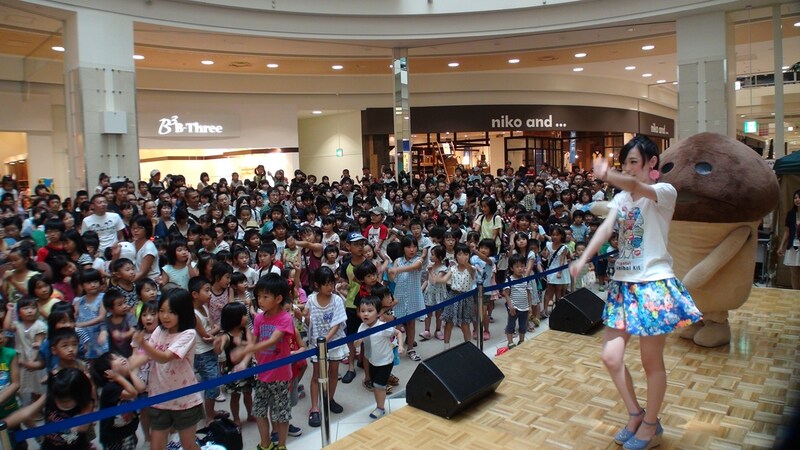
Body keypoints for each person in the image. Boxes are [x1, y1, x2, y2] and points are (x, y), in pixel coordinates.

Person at [569, 136, 703, 450]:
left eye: (634, 162)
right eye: (625, 162)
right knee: (610, 356)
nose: (628, 168)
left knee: (650, 362)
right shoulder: (621, 198)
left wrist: (607, 174)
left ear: (651, 163)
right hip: (623, 285)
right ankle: (635, 413)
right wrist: (583, 258)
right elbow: (606, 229)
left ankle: (651, 425)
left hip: (653, 284)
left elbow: (636, 186)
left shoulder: (664, 192)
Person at [131, 289, 203, 450]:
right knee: (156, 446)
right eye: (162, 311)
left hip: (184, 400)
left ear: (183, 312)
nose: (165, 316)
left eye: (171, 312)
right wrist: (127, 367)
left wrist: (143, 344)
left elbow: (164, 357)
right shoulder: (159, 330)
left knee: (189, 446)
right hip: (158, 397)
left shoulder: (188, 334)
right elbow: (146, 356)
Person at [238, 273, 295, 450]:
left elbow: (272, 340)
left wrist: (246, 350)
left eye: (265, 297)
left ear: (278, 298)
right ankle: (265, 443)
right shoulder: (259, 318)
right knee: (259, 411)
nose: (260, 301)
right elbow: (254, 342)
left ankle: (282, 445)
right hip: (262, 373)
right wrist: (244, 362)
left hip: (280, 374)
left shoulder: (285, 318)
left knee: (281, 414)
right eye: (258, 296)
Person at [304, 267, 348, 427]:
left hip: (333, 342)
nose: (330, 287)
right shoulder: (311, 300)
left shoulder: (337, 300)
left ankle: (329, 399)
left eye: (332, 283)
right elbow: (307, 322)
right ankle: (314, 408)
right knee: (316, 375)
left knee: (334, 371)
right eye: (326, 284)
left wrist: (326, 340)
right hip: (317, 344)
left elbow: (337, 324)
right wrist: (304, 317)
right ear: (317, 285)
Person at [355, 296, 404, 420]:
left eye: (370, 311)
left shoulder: (383, 327)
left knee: (379, 385)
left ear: (378, 313)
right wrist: (357, 341)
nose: (365, 314)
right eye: (362, 311)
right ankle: (379, 405)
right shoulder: (362, 327)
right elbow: (356, 343)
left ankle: (380, 408)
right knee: (376, 385)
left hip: (385, 362)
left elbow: (398, 332)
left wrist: (400, 346)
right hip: (373, 361)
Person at [777, 189, 800, 289]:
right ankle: (796, 293)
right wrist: (781, 246)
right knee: (794, 272)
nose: (797, 200)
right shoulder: (791, 214)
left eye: (799, 197)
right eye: (795, 198)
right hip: (793, 246)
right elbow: (787, 231)